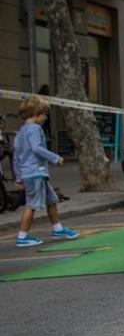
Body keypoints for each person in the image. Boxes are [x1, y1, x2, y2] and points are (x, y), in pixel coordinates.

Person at [12, 95, 79, 247]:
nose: (46, 118)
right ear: (36, 113)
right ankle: (22, 236)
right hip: (36, 172)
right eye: (44, 114)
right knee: (31, 205)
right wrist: (55, 158)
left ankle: (58, 228)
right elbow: (37, 148)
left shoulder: (20, 133)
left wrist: (18, 178)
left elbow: (16, 157)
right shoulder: (35, 129)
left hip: (30, 174)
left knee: (51, 199)